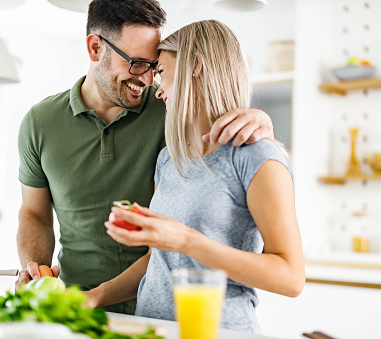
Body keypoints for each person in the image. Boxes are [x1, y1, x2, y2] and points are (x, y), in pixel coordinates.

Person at [15, 0, 275, 315]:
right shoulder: (40, 122)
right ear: (96, 48)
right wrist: (37, 272)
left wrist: (260, 120)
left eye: (155, 66)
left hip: (164, 309)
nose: (149, 80)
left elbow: (221, 132)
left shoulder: (170, 108)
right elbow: (35, 214)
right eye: (136, 63)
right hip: (77, 303)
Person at [84, 20, 305, 333]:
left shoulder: (255, 156)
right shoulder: (168, 160)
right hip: (155, 330)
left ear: (196, 66)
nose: (156, 89)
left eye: (160, 71)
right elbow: (157, 259)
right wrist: (95, 296)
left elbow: (291, 278)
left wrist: (187, 241)